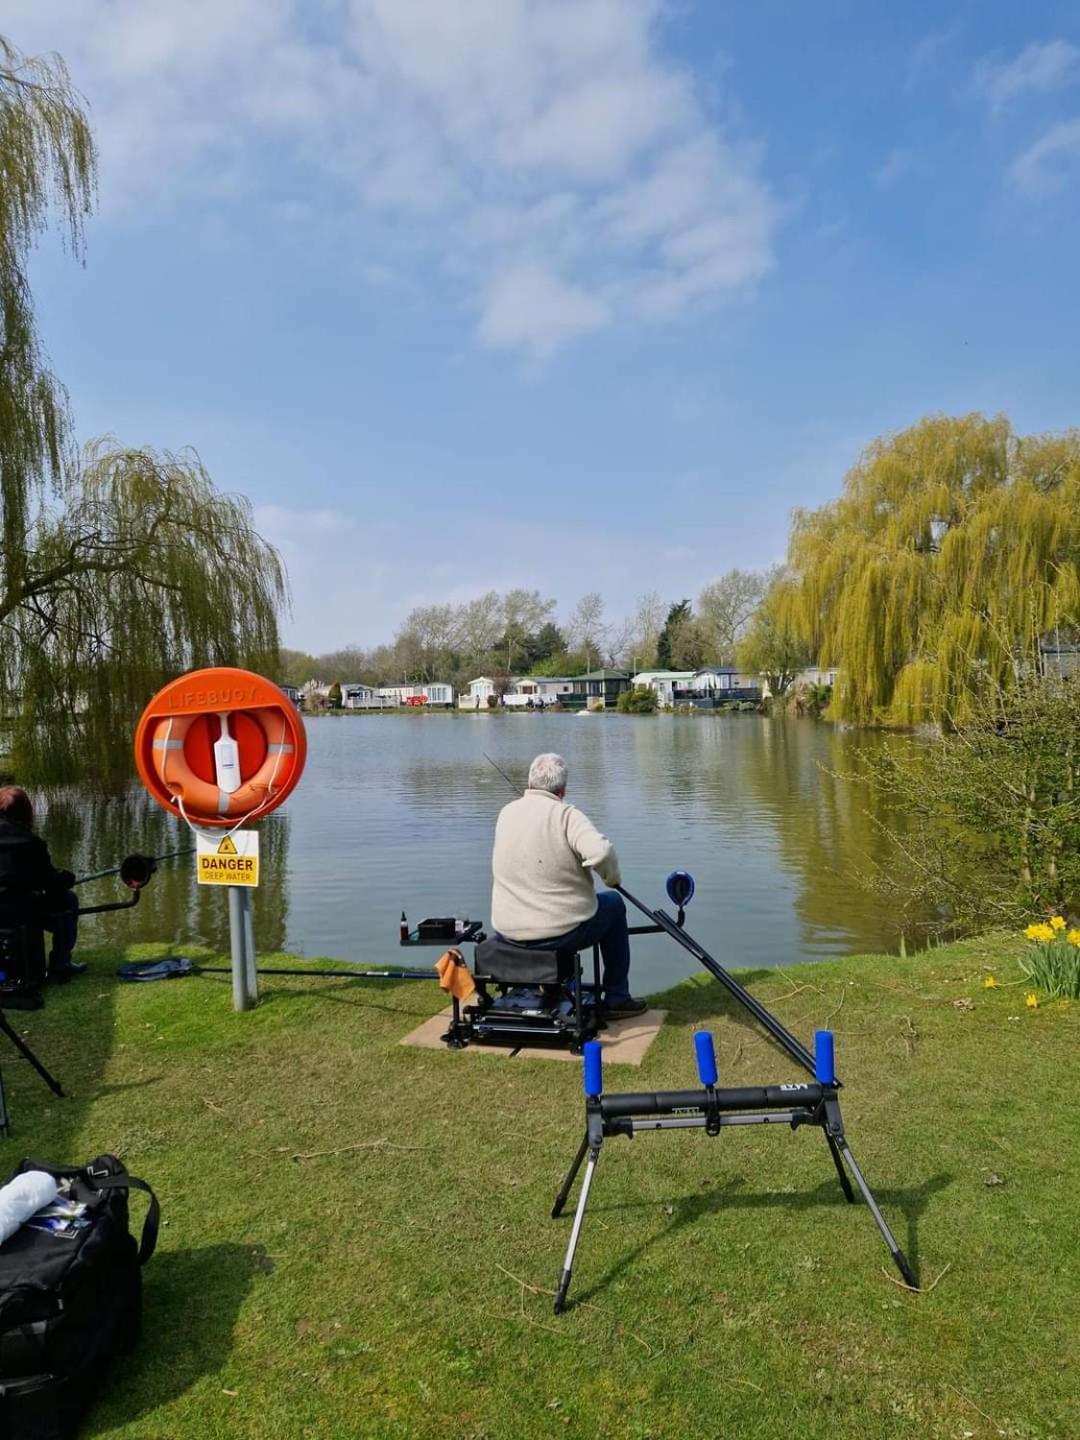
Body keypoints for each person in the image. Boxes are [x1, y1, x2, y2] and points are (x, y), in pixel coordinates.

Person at [490, 753, 646, 1017]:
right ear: (563, 789)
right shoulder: (566, 816)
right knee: (614, 904)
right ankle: (617, 996)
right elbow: (602, 852)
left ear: (529, 782)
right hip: (559, 933)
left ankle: (550, 987)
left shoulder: (506, 813)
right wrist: (611, 879)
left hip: (508, 931)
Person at [0, 786, 84, 981]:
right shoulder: (31, 843)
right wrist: (66, 878)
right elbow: (50, 882)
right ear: (25, 811)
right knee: (68, 901)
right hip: (20, 912)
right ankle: (60, 964)